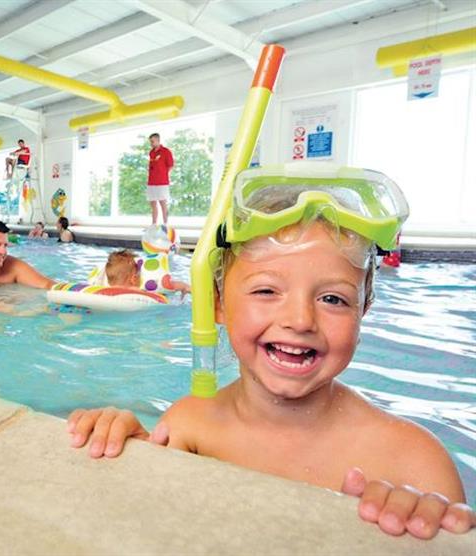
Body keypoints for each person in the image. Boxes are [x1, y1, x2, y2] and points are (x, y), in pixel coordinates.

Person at [66, 168, 474, 539]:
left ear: (363, 311)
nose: (300, 320)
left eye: (333, 298)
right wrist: (128, 451)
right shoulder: (189, 428)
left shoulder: (416, 464)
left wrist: (424, 522)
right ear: (218, 304)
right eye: (266, 291)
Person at [104, 249, 190, 295]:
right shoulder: (141, 291)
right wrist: (186, 287)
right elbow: (175, 285)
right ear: (134, 279)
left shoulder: (105, 293)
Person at [147, 133, 174, 225]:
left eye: (152, 141)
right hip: (151, 182)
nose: (151, 143)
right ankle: (153, 224)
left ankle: (165, 224)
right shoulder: (151, 152)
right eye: (150, 142)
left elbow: (170, 165)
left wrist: (162, 174)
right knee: (153, 204)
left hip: (162, 182)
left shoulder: (166, 151)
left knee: (163, 203)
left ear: (158, 140)